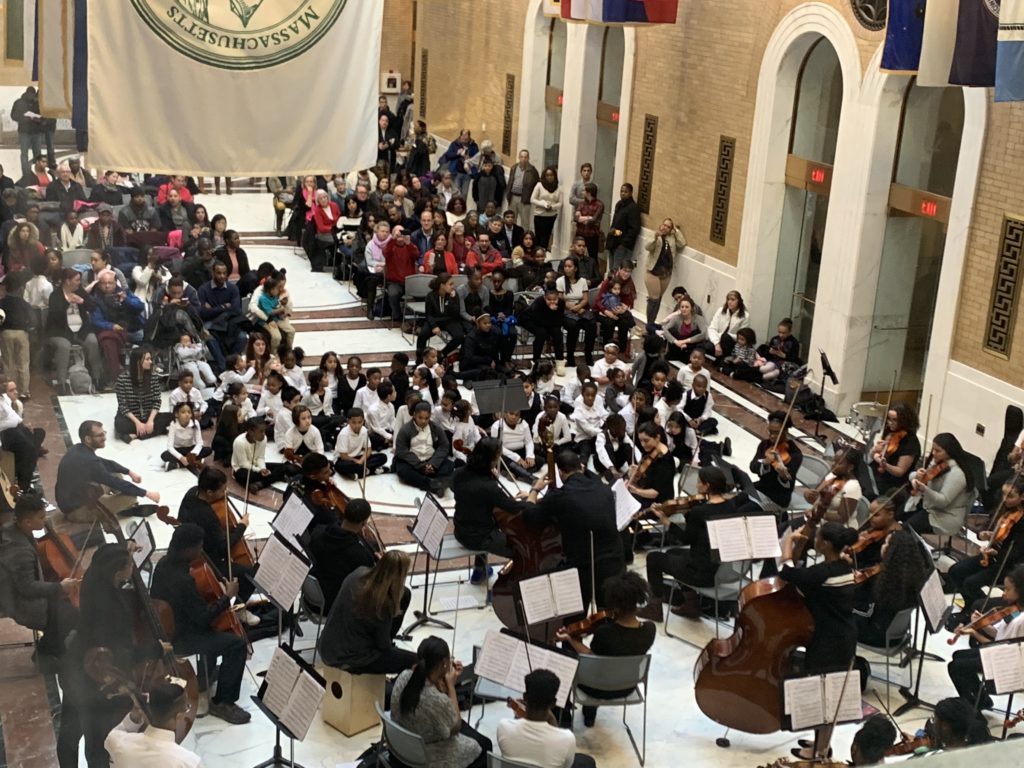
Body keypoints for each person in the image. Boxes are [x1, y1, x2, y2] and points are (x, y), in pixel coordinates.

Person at [55, 543, 160, 768]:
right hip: (93, 678)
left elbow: (106, 559)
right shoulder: (110, 609)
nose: (132, 567)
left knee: (70, 732)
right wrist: (154, 650)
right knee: (98, 739)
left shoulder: (94, 579)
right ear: (117, 571)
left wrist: (124, 553)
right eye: (129, 564)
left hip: (75, 667)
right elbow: (119, 655)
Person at [150, 523, 251, 724]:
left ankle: (206, 676)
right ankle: (223, 702)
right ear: (188, 549)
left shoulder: (162, 564)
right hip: (182, 637)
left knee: (215, 631)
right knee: (236, 644)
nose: (201, 550)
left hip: (166, 629)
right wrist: (227, 597)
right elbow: (203, 619)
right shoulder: (182, 580)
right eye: (199, 546)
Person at [779, 521, 860, 760]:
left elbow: (788, 573)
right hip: (842, 635)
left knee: (825, 697)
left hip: (829, 641)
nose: (814, 538)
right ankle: (820, 743)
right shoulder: (843, 566)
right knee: (827, 695)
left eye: (817, 537)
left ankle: (820, 752)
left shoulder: (823, 572)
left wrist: (788, 544)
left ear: (824, 544)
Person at [639, 467, 755, 619]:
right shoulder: (731, 505)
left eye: (699, 482)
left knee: (654, 558)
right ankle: (691, 605)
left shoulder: (700, 511)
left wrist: (666, 521)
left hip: (701, 573)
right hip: (720, 564)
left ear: (707, 486)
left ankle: (654, 608)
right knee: (673, 553)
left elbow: (685, 539)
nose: (697, 485)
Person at [524, 449, 625, 610]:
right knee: (607, 613)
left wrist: (534, 490)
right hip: (615, 561)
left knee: (574, 618)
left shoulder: (560, 496)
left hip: (583, 567)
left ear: (561, 472)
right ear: (582, 467)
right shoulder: (604, 489)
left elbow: (530, 516)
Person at [555, 572, 656, 728]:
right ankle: (590, 714)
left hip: (596, 688)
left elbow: (591, 656)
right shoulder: (650, 629)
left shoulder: (605, 633)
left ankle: (564, 715)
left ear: (615, 606)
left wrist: (570, 639)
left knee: (564, 660)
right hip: (627, 686)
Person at [391, 637, 491, 768]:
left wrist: (440, 682)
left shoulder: (404, 676)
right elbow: (456, 726)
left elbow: (427, 696)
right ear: (444, 663)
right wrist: (450, 686)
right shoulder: (438, 701)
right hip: (427, 756)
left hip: (402, 746)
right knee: (485, 744)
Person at [177, 467, 259, 625]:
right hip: (209, 560)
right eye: (222, 490)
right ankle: (237, 607)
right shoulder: (206, 514)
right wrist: (242, 526)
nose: (225, 492)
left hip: (192, 551)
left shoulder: (192, 493)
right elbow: (224, 547)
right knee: (251, 573)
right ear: (209, 492)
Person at [0, 493, 79, 659]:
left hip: (13, 591)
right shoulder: (19, 552)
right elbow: (27, 588)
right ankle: (47, 652)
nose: (46, 520)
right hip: (21, 604)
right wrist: (59, 587)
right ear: (27, 521)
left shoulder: (10, 528)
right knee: (73, 615)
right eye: (42, 517)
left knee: (64, 602)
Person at [319, 550, 414, 673]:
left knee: (405, 594)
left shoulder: (358, 573)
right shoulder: (384, 604)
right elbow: (383, 646)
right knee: (416, 661)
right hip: (349, 658)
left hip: (328, 646)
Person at [945, 477, 1024, 614]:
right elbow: (985, 527)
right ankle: (970, 607)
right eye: (1003, 494)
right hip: (991, 557)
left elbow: (1017, 553)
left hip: (1008, 565)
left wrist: (996, 553)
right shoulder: (1003, 509)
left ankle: (982, 609)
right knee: (956, 571)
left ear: (1022, 496)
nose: (1004, 499)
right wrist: (982, 535)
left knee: (970, 583)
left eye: (1010, 496)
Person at [56, 420, 161, 522]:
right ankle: (126, 506)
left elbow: (105, 463)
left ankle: (124, 507)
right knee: (131, 496)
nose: (105, 438)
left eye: (104, 433)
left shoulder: (78, 449)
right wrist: (147, 493)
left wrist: (129, 472)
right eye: (100, 435)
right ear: (88, 439)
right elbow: (114, 482)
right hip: (77, 511)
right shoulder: (90, 461)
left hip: (81, 496)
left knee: (114, 472)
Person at [498, 668, 594, 768]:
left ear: (525, 697)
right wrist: (552, 719)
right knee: (587, 762)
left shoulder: (503, 726)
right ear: (553, 703)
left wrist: (520, 714)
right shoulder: (566, 738)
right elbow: (566, 766)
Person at [853, 529, 931, 646]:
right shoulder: (911, 575)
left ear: (891, 551)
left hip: (877, 635)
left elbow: (867, 612)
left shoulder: (885, 582)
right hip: (897, 633)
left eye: (885, 543)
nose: (882, 546)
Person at [103, 681, 202, 768]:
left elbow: (114, 733)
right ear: (178, 717)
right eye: (187, 707)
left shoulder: (118, 743)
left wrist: (134, 716)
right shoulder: (189, 763)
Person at [308, 497, 382, 609]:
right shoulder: (361, 556)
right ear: (364, 522)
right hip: (331, 604)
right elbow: (367, 583)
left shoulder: (318, 532)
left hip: (309, 592)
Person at [903, 433, 974, 536]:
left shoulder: (957, 474)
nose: (933, 453)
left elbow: (943, 501)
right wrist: (917, 476)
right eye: (933, 449)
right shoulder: (938, 463)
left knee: (906, 528)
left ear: (949, 452)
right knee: (898, 511)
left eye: (938, 451)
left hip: (944, 518)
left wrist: (924, 489)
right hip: (930, 508)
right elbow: (914, 477)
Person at [393, 401, 455, 495]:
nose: (423, 421)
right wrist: (420, 466)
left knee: (449, 465)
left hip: (431, 459)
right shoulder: (405, 430)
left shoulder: (436, 428)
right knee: (403, 471)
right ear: (414, 415)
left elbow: (444, 446)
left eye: (426, 418)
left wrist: (433, 464)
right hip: (413, 462)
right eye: (420, 418)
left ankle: (434, 483)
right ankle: (433, 484)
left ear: (430, 416)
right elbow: (402, 451)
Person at [114, 347, 172, 442]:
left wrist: (150, 421)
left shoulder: (153, 377)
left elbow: (157, 401)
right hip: (131, 418)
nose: (151, 362)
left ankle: (135, 435)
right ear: (138, 362)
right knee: (120, 425)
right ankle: (154, 431)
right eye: (147, 359)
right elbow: (123, 406)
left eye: (151, 359)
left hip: (148, 416)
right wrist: (137, 423)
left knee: (173, 417)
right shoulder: (123, 379)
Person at [750, 410, 804, 513]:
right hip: (762, 488)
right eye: (770, 431)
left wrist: (783, 475)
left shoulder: (795, 453)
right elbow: (752, 467)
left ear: (786, 431)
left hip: (777, 497)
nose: (772, 436)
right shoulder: (764, 444)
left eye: (776, 433)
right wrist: (765, 463)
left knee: (742, 511)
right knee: (734, 503)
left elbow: (789, 482)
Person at [868, 400, 922, 502]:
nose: (890, 423)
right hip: (876, 473)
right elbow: (874, 455)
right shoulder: (889, 431)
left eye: (895, 420)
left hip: (891, 483)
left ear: (904, 421)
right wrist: (874, 450)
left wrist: (884, 464)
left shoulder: (911, 442)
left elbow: (900, 471)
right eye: (889, 419)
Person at [231, 418, 298, 493]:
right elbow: (243, 464)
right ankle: (275, 477)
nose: (264, 434)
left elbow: (260, 457)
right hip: (242, 468)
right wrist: (259, 470)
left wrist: (263, 468)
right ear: (250, 432)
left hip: (256, 465)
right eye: (261, 431)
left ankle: (261, 484)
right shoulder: (239, 442)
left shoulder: (264, 438)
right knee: (244, 477)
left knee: (282, 467)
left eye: (264, 431)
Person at [642, 218, 687, 324]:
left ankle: (652, 323)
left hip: (666, 272)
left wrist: (676, 231)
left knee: (659, 299)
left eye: (668, 227)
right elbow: (647, 247)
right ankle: (649, 323)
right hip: (653, 271)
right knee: (653, 298)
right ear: (661, 225)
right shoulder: (655, 235)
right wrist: (655, 237)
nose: (665, 228)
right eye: (664, 225)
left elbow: (682, 244)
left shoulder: (672, 238)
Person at [418, 272, 464, 363]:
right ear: (442, 285)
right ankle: (419, 360)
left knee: (459, 336)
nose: (453, 286)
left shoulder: (454, 295)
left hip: (450, 320)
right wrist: (434, 326)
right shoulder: (430, 296)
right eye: (450, 284)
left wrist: (452, 299)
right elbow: (429, 314)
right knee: (422, 334)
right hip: (435, 320)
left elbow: (456, 313)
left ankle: (442, 354)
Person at [703, 290, 749, 360]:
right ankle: (721, 359)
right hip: (718, 339)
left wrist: (726, 335)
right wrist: (716, 344)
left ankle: (721, 361)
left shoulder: (745, 316)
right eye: (728, 299)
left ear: (739, 301)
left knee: (725, 337)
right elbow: (712, 328)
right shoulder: (721, 310)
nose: (729, 302)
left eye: (733, 299)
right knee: (706, 347)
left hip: (733, 343)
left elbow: (742, 337)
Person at [573, 183, 604, 263]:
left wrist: (582, 218)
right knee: (576, 255)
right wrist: (587, 217)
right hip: (580, 233)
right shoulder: (582, 203)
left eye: (584, 191)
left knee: (593, 256)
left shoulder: (599, 204)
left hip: (592, 234)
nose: (582, 192)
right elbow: (576, 218)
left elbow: (593, 220)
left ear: (589, 193)